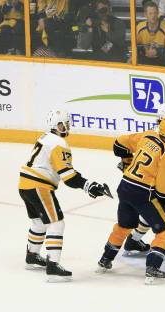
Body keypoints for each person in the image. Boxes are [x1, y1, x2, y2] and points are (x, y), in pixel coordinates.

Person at [19, 109, 109, 282]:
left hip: (24, 184)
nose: (65, 127)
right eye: (62, 124)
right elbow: (68, 176)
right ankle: (53, 265)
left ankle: (32, 256)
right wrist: (87, 185)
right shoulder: (58, 143)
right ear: (54, 125)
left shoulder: (45, 137)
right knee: (56, 223)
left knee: (38, 222)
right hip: (39, 186)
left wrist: (85, 184)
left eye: (66, 124)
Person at [97, 117, 165, 284]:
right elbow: (163, 190)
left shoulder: (148, 136)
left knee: (124, 226)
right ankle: (152, 268)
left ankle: (105, 259)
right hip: (143, 194)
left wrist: (127, 162)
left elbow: (119, 143)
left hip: (125, 186)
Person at [113, 104, 165, 267]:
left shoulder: (153, 133)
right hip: (156, 184)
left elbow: (120, 144)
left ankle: (133, 241)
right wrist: (127, 162)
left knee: (153, 212)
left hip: (139, 184)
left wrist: (127, 163)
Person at [136, 1, 165, 66]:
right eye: (150, 13)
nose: (153, 16)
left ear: (158, 13)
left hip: (162, 60)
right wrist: (144, 49)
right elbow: (135, 46)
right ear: (145, 15)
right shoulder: (139, 27)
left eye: (155, 13)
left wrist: (158, 51)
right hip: (145, 59)